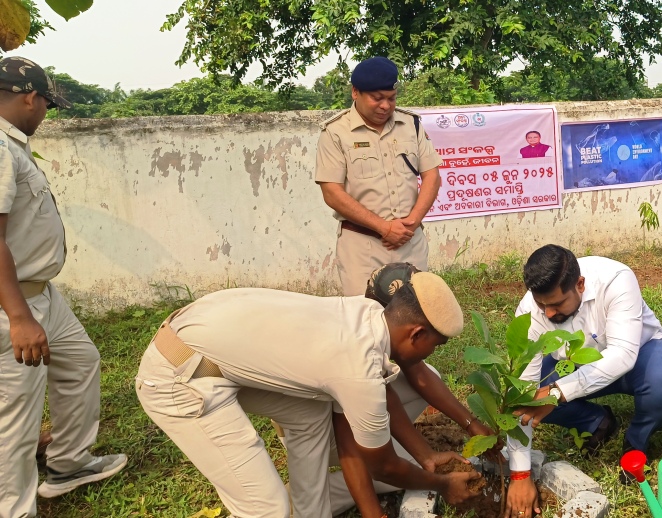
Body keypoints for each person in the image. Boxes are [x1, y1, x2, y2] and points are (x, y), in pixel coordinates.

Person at [135, 274, 481, 518]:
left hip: (209, 349)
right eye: (435, 346)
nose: (431, 355)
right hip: (178, 375)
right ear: (417, 334)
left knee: (310, 415)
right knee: (267, 508)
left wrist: (424, 457)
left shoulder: (367, 315)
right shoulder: (356, 366)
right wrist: (443, 484)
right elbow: (383, 465)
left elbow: (354, 427)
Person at [0, 56, 127, 518]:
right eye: (46, 105)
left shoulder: (13, 146)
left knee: (80, 362)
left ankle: (69, 464)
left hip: (42, 295)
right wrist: (19, 318)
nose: (45, 114)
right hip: (15, 304)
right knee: (16, 421)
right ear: (29, 98)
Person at [504, 245, 662, 515]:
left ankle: (636, 443)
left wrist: (556, 393)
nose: (549, 313)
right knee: (529, 395)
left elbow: (623, 355)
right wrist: (520, 473)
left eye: (557, 304)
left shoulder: (615, 279)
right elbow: (522, 394)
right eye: (543, 305)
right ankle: (597, 422)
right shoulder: (530, 310)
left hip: (641, 357)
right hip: (574, 366)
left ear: (580, 284)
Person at [316, 56, 442, 296]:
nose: (386, 106)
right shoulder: (335, 132)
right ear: (355, 92)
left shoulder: (412, 125)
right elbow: (332, 192)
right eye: (377, 98)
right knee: (365, 313)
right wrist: (384, 228)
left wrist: (412, 223)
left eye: (391, 98)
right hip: (362, 247)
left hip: (410, 241)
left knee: (415, 310)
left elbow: (432, 177)